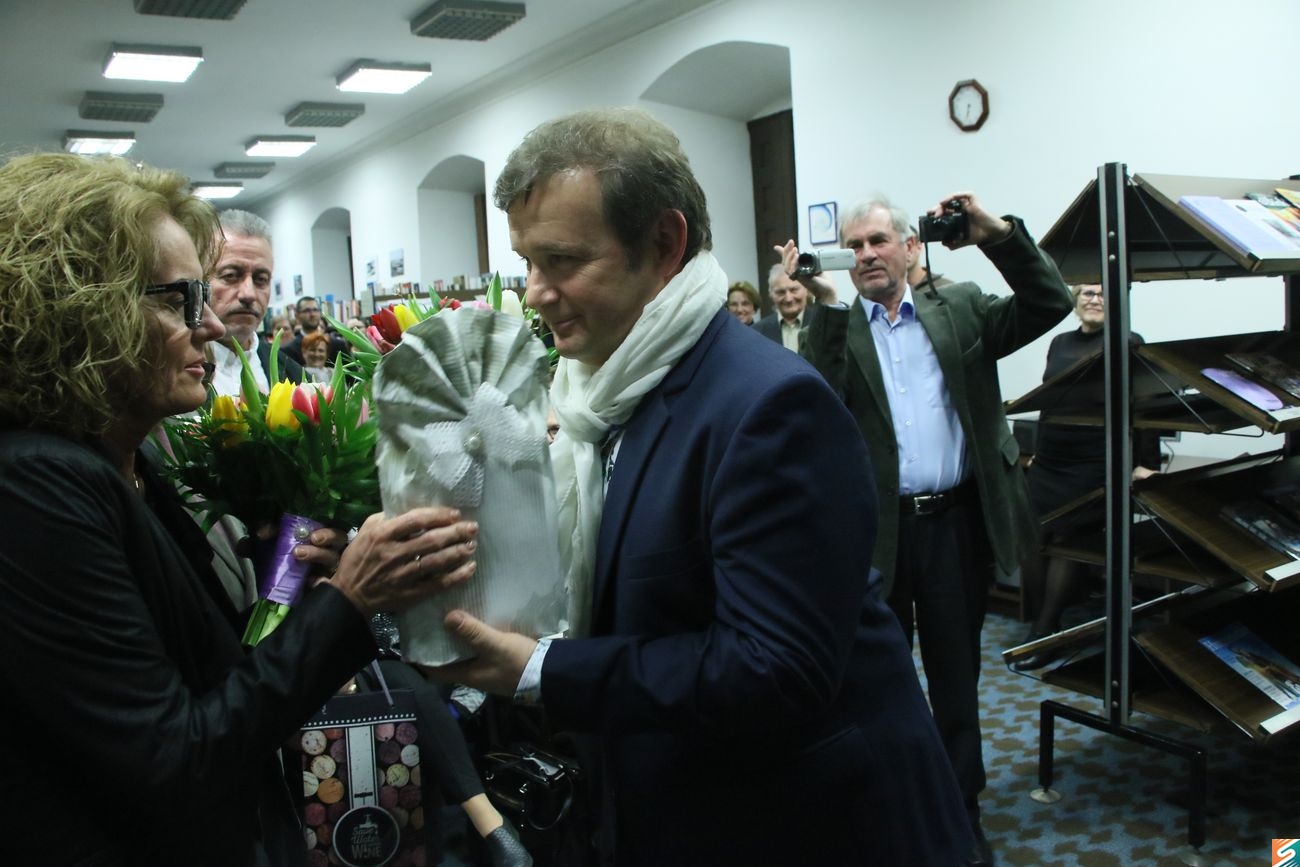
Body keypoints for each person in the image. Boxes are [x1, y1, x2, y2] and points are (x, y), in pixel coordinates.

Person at [420, 107, 972, 866]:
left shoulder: (770, 406)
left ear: (664, 243)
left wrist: (540, 668)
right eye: (527, 263)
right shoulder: (594, 398)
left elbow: (775, 671)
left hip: (806, 827)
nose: (536, 293)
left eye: (562, 261)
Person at [0, 152, 480, 867]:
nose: (214, 327)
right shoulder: (34, 486)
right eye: (179, 301)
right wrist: (349, 602)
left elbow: (216, 677)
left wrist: (298, 590)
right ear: (81, 310)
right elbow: (175, 760)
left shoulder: (131, 465)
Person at [781, 193, 1073, 867]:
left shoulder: (960, 307)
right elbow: (812, 399)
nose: (866, 255)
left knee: (954, 678)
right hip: (879, 534)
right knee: (880, 680)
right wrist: (822, 301)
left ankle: (961, 810)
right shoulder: (841, 327)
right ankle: (891, 803)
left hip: (954, 527)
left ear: (911, 247)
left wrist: (996, 234)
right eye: (855, 245)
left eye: (878, 240)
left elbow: (1049, 300)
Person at [1012, 283, 1161, 670]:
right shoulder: (1059, 342)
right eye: (1087, 294)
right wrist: (1039, 450)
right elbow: (1050, 397)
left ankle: (1046, 631)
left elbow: (1143, 402)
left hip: (1094, 459)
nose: (1094, 300)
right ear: (1075, 301)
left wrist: (1147, 462)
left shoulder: (1127, 342)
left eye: (1102, 294)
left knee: (1069, 539)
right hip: (1051, 459)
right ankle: (1043, 621)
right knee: (1030, 536)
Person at [209, 209, 302, 397]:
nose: (248, 294)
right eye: (230, 275)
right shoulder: (171, 375)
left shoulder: (294, 375)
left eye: (261, 279)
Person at [754, 262, 818, 350]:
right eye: (781, 292)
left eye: (794, 290)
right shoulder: (758, 332)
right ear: (771, 294)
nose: (788, 299)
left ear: (806, 289)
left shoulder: (822, 325)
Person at [284, 294, 350, 366]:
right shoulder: (289, 350)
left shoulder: (337, 345)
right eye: (307, 311)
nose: (312, 314)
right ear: (297, 316)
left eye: (315, 310)